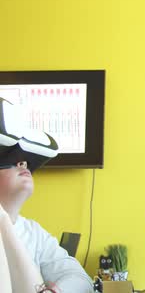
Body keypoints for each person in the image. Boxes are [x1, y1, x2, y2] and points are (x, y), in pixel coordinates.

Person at [0, 97, 93, 292]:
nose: (23, 164)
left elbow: (80, 280)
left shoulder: (33, 232)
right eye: (11, 159)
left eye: (25, 161)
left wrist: (55, 291)